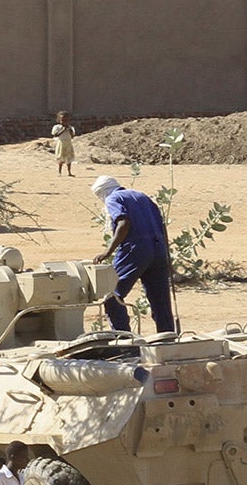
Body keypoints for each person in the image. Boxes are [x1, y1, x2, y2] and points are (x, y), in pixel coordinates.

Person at [92, 176, 175, 334]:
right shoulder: (142, 196)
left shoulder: (113, 198)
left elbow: (123, 223)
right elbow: (162, 225)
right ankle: (167, 337)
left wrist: (107, 252)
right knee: (160, 299)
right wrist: (166, 255)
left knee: (111, 294)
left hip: (135, 248)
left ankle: (123, 337)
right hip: (158, 249)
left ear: (102, 192)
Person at [50, 112, 77, 177]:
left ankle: (69, 172)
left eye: (66, 120)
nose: (65, 122)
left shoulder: (71, 127)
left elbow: (72, 136)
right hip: (61, 143)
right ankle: (59, 172)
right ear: (59, 120)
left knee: (69, 158)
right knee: (60, 157)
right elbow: (55, 134)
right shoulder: (57, 127)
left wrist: (70, 130)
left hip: (68, 143)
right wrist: (63, 130)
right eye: (63, 120)